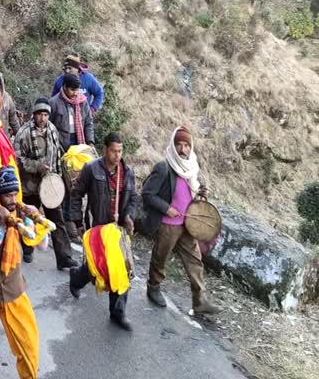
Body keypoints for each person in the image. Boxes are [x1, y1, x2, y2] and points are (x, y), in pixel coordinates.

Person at [0, 167, 45, 379]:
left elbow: (40, 244)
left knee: (29, 346)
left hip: (14, 291)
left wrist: (36, 217)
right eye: (7, 195)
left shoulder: (20, 211)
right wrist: (2, 228)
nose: (12, 200)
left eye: (15, 194)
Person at [142, 126, 222, 316]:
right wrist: (166, 208)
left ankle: (199, 300)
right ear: (173, 145)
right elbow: (147, 193)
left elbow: (191, 192)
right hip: (168, 225)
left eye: (187, 145)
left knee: (195, 261)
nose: (183, 149)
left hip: (189, 225)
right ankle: (153, 287)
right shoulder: (164, 167)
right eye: (179, 144)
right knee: (161, 258)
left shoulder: (192, 168)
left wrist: (201, 193)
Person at [69, 132, 139, 331]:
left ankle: (118, 313)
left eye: (120, 151)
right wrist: (76, 221)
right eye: (114, 151)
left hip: (117, 231)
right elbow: (77, 195)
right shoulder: (91, 169)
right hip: (98, 228)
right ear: (105, 150)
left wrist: (129, 217)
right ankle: (76, 278)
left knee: (121, 271)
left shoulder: (128, 172)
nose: (118, 155)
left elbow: (133, 198)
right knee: (97, 269)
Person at [14, 98, 77, 269]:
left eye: (45, 114)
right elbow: (17, 160)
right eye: (39, 114)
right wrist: (36, 166)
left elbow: (56, 154)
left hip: (49, 185)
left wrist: (56, 178)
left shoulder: (52, 129)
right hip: (30, 187)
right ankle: (27, 249)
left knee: (57, 220)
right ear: (33, 115)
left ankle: (64, 257)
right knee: (29, 220)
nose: (43, 118)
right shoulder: (23, 133)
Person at [49, 73, 96, 151]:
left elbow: (88, 123)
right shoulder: (53, 103)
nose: (75, 93)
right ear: (64, 87)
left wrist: (90, 142)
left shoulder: (83, 102)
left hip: (79, 141)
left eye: (77, 90)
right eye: (72, 90)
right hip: (60, 144)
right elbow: (49, 126)